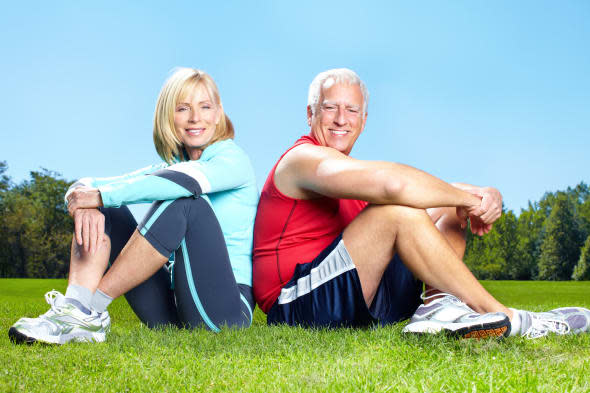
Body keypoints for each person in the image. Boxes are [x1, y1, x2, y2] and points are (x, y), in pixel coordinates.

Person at [252, 68, 590, 339]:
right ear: (310, 114)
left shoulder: (349, 175)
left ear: (363, 120)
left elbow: (427, 194)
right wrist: (465, 197)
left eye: (351, 109)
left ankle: (439, 306)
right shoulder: (302, 159)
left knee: (441, 204)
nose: (341, 119)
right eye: (330, 107)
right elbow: (395, 185)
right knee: (398, 208)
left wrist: (482, 196)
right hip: (295, 306)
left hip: (352, 298)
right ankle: (507, 317)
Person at [9, 68, 258, 344]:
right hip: (175, 307)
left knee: (186, 201)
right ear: (168, 115)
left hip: (226, 312)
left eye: (205, 107)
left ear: (218, 112)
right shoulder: (170, 169)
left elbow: (183, 183)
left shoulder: (232, 160)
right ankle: (74, 307)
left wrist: (100, 195)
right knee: (108, 208)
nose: (195, 118)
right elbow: (89, 184)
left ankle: (88, 310)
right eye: (183, 108)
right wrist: (83, 200)